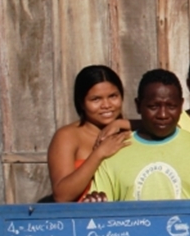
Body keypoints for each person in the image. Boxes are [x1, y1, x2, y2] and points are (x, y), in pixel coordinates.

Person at [84, 69, 190, 201]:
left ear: (181, 106)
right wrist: (96, 201)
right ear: (138, 105)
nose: (163, 115)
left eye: (171, 106)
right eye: (153, 107)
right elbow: (101, 212)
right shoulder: (114, 151)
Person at [47, 65, 131, 202]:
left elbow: (169, 125)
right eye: (96, 99)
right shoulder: (68, 136)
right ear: (81, 102)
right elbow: (61, 195)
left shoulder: (128, 132)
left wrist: (120, 123)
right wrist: (99, 154)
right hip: (81, 220)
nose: (106, 105)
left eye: (113, 96)